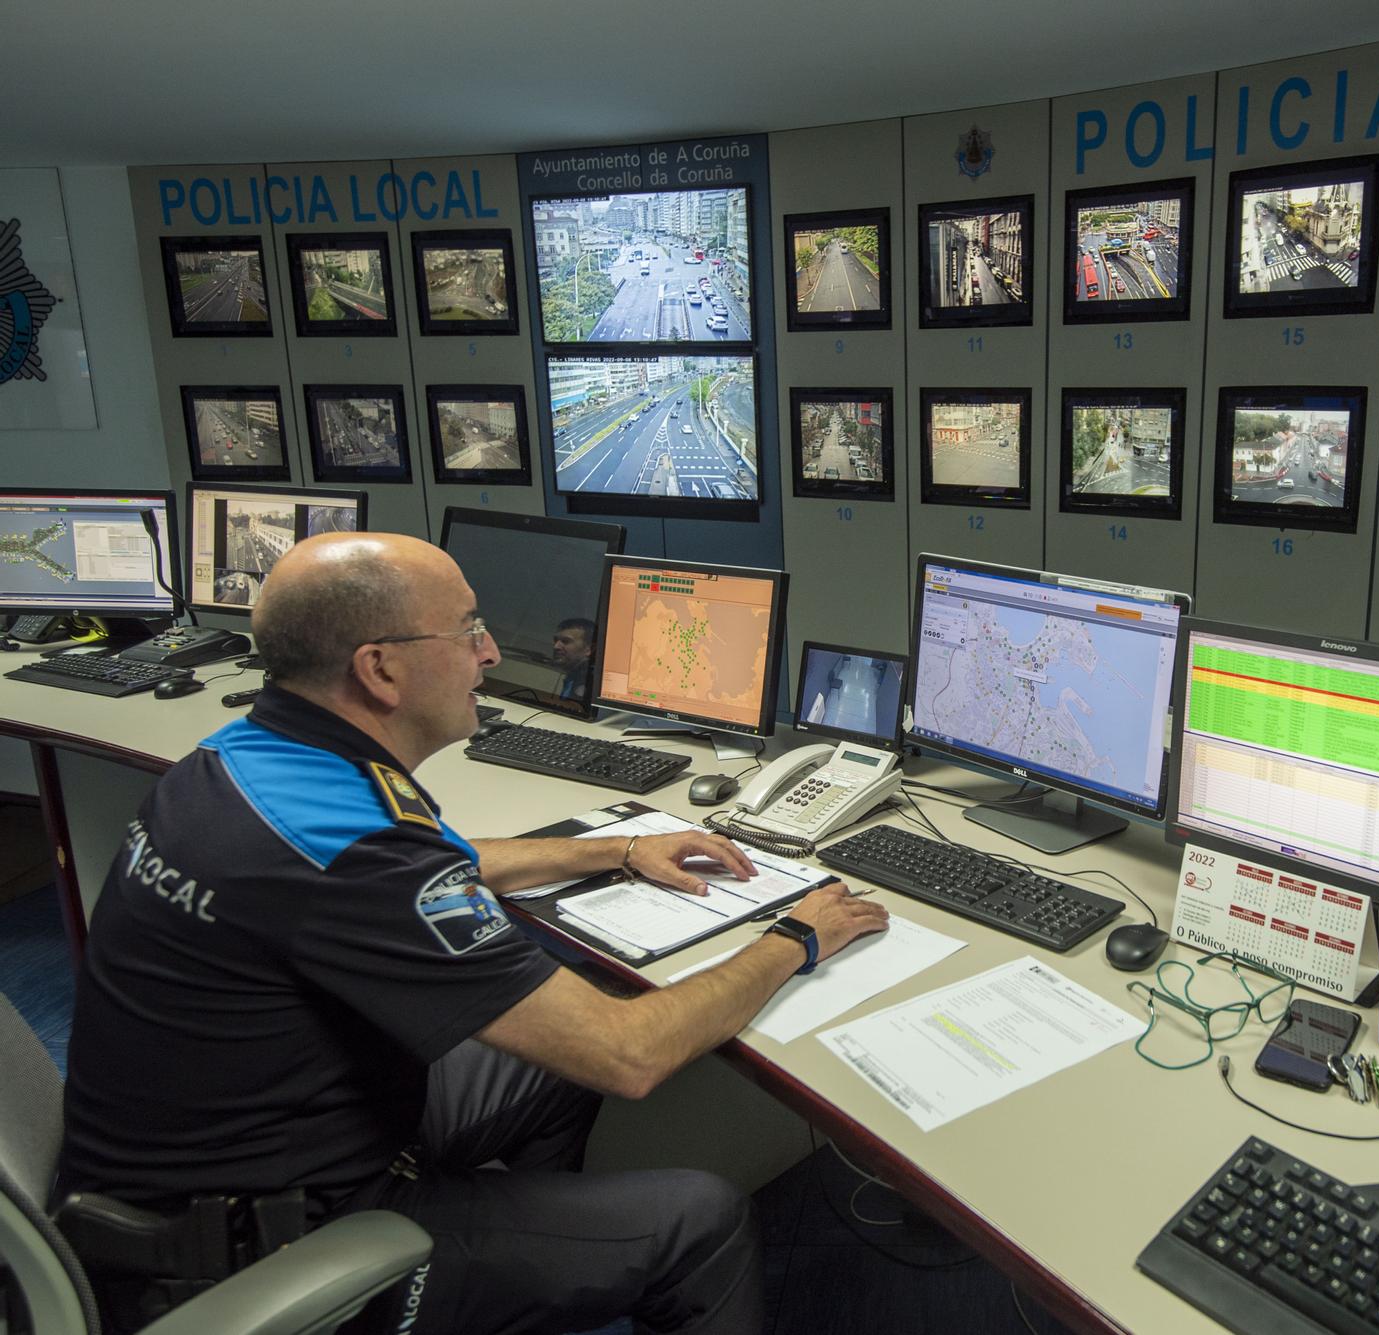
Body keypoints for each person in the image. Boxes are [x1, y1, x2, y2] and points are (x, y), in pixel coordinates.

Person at [55, 532, 888, 1334]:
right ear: (380, 669)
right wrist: (795, 935)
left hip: (226, 1156)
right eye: (468, 631)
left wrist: (621, 848)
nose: (489, 654)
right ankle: (486, 1267)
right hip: (254, 1248)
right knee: (699, 1219)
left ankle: (534, 1269)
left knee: (553, 1059)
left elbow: (433, 865)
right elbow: (626, 1053)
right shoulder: (358, 844)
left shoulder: (250, 758)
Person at [551, 615, 597, 702]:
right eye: (555, 640)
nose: (556, 646)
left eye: (566, 641)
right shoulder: (574, 676)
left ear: (589, 649)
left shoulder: (591, 684)